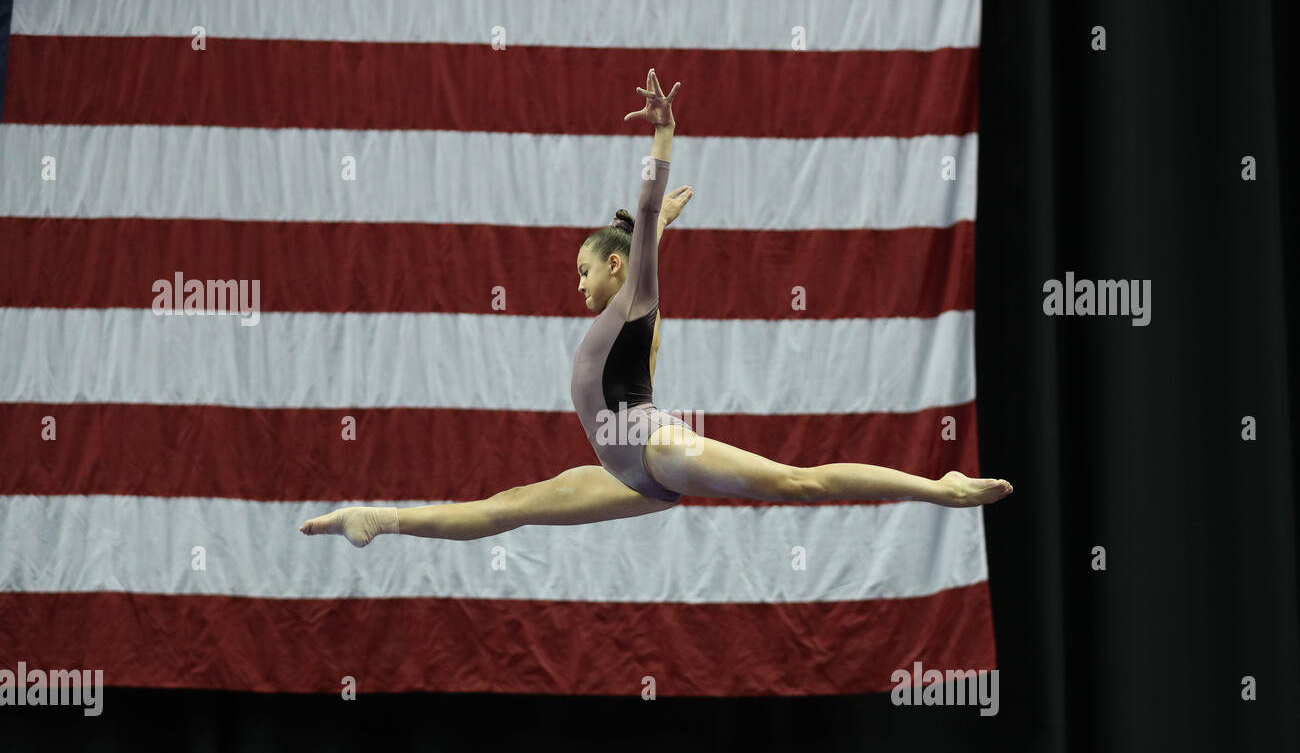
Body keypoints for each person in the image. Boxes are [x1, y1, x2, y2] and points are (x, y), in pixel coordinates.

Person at [301, 68, 1012, 548]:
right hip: (626, 474)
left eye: (584, 271)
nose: (576, 287)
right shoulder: (628, 312)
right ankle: (379, 516)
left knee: (801, 482)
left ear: (615, 266)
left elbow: (639, 214)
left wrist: (662, 138)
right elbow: (640, 232)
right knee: (504, 510)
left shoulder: (633, 296)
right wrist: (658, 227)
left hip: (654, 446)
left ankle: (937, 487)